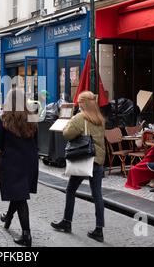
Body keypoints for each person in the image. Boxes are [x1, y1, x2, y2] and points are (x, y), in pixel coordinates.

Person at [51, 91, 106, 243]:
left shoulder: (80, 117)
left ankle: (67, 222)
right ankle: (99, 230)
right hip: (98, 161)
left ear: (82, 104)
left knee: (70, 190)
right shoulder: (100, 119)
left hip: (85, 160)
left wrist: (69, 122)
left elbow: (67, 134)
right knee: (98, 196)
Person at [0, 88, 38, 247]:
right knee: (18, 193)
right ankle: (8, 218)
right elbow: (36, 142)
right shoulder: (32, 116)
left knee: (20, 197)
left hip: (12, 163)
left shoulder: (5, 119)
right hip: (29, 162)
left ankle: (26, 235)